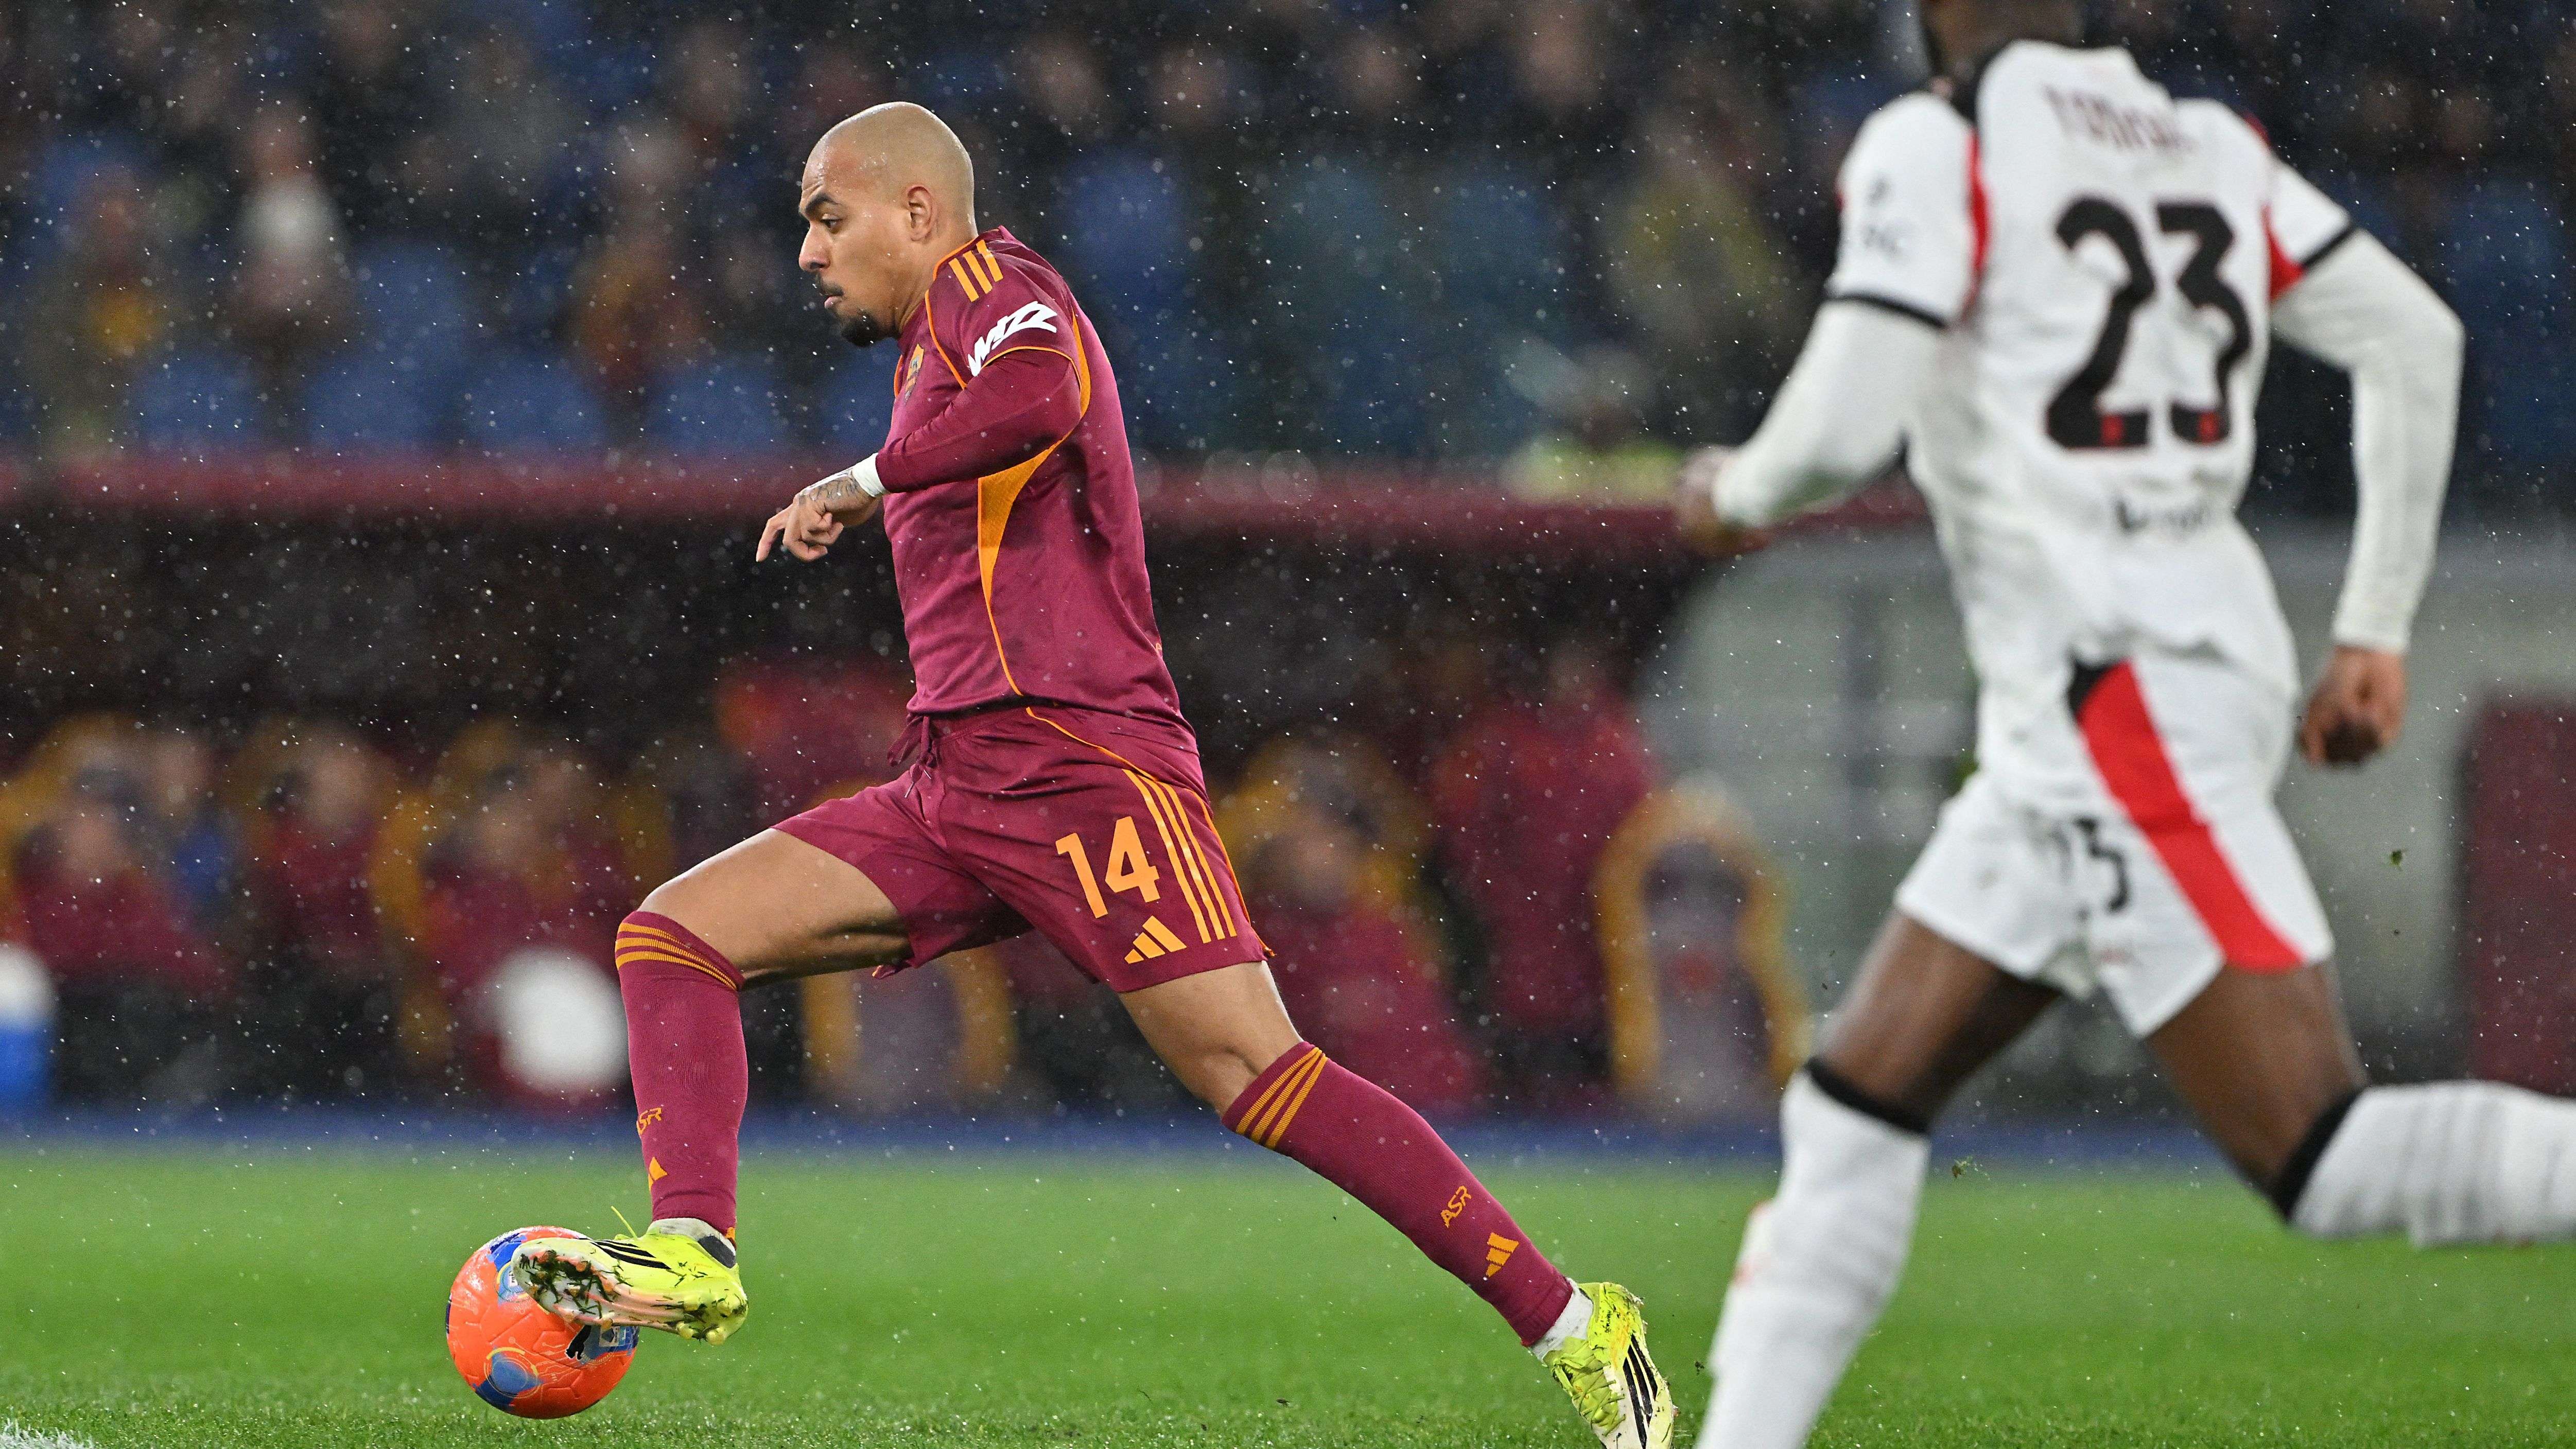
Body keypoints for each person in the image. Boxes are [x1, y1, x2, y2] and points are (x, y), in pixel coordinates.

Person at [514, 103, 1674, 1448]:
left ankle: (1575, 1323)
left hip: (1083, 768)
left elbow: (1043, 395)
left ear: (917, 211)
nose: (808, 254)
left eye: (828, 219)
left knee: (1256, 1075)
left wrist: (864, 480)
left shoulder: (996, 290)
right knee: (671, 937)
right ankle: (693, 1253)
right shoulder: (923, 344)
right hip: (951, 780)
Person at [1672, 5, 2569, 1447]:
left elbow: (1839, 432)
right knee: (1853, 1104)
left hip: (2118, 699)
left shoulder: (1944, 139)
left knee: (2320, 1153)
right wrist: (2372, 628)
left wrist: (1729, 491)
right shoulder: (2205, 145)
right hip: (2115, 688)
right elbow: (2416, 337)